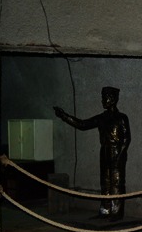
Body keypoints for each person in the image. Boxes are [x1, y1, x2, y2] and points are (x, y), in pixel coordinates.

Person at [54, 86, 131, 221]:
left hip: (116, 152)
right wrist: (64, 116)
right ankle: (105, 210)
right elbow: (83, 124)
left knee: (117, 183)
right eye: (102, 97)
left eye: (105, 97)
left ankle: (116, 212)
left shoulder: (121, 118)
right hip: (105, 152)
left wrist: (120, 156)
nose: (102, 100)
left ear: (113, 99)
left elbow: (126, 139)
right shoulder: (102, 118)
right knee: (105, 182)